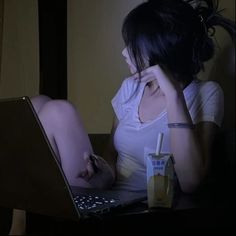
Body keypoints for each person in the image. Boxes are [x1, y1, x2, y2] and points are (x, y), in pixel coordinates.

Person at [30, 0, 235, 194]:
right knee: (37, 103)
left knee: (59, 111)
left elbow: (191, 182)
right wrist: (102, 173)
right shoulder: (131, 87)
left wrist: (173, 94)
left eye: (133, 45)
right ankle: (19, 225)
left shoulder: (207, 93)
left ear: (159, 49)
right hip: (111, 196)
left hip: (148, 204)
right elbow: (111, 156)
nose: (124, 53)